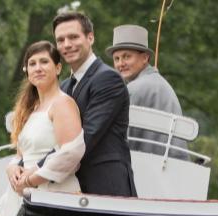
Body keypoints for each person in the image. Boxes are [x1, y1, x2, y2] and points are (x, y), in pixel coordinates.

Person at [51, 11, 136, 197]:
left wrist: (39, 170)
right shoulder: (64, 86)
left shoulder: (108, 78)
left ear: (90, 37)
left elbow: (87, 136)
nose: (67, 45)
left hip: (106, 188)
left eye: (73, 37)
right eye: (60, 40)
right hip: (70, 190)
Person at [0, 41, 84, 216]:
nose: (38, 68)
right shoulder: (30, 109)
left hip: (53, 193)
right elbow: (22, 155)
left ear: (58, 68)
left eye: (44, 62)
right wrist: (12, 167)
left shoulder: (62, 103)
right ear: (27, 71)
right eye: (32, 63)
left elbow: (71, 153)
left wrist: (31, 180)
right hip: (23, 194)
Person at [106, 24, 188, 159]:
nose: (120, 64)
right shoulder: (160, 83)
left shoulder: (133, 89)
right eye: (117, 59)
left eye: (126, 57)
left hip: (150, 167)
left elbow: (120, 140)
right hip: (176, 164)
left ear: (145, 58)